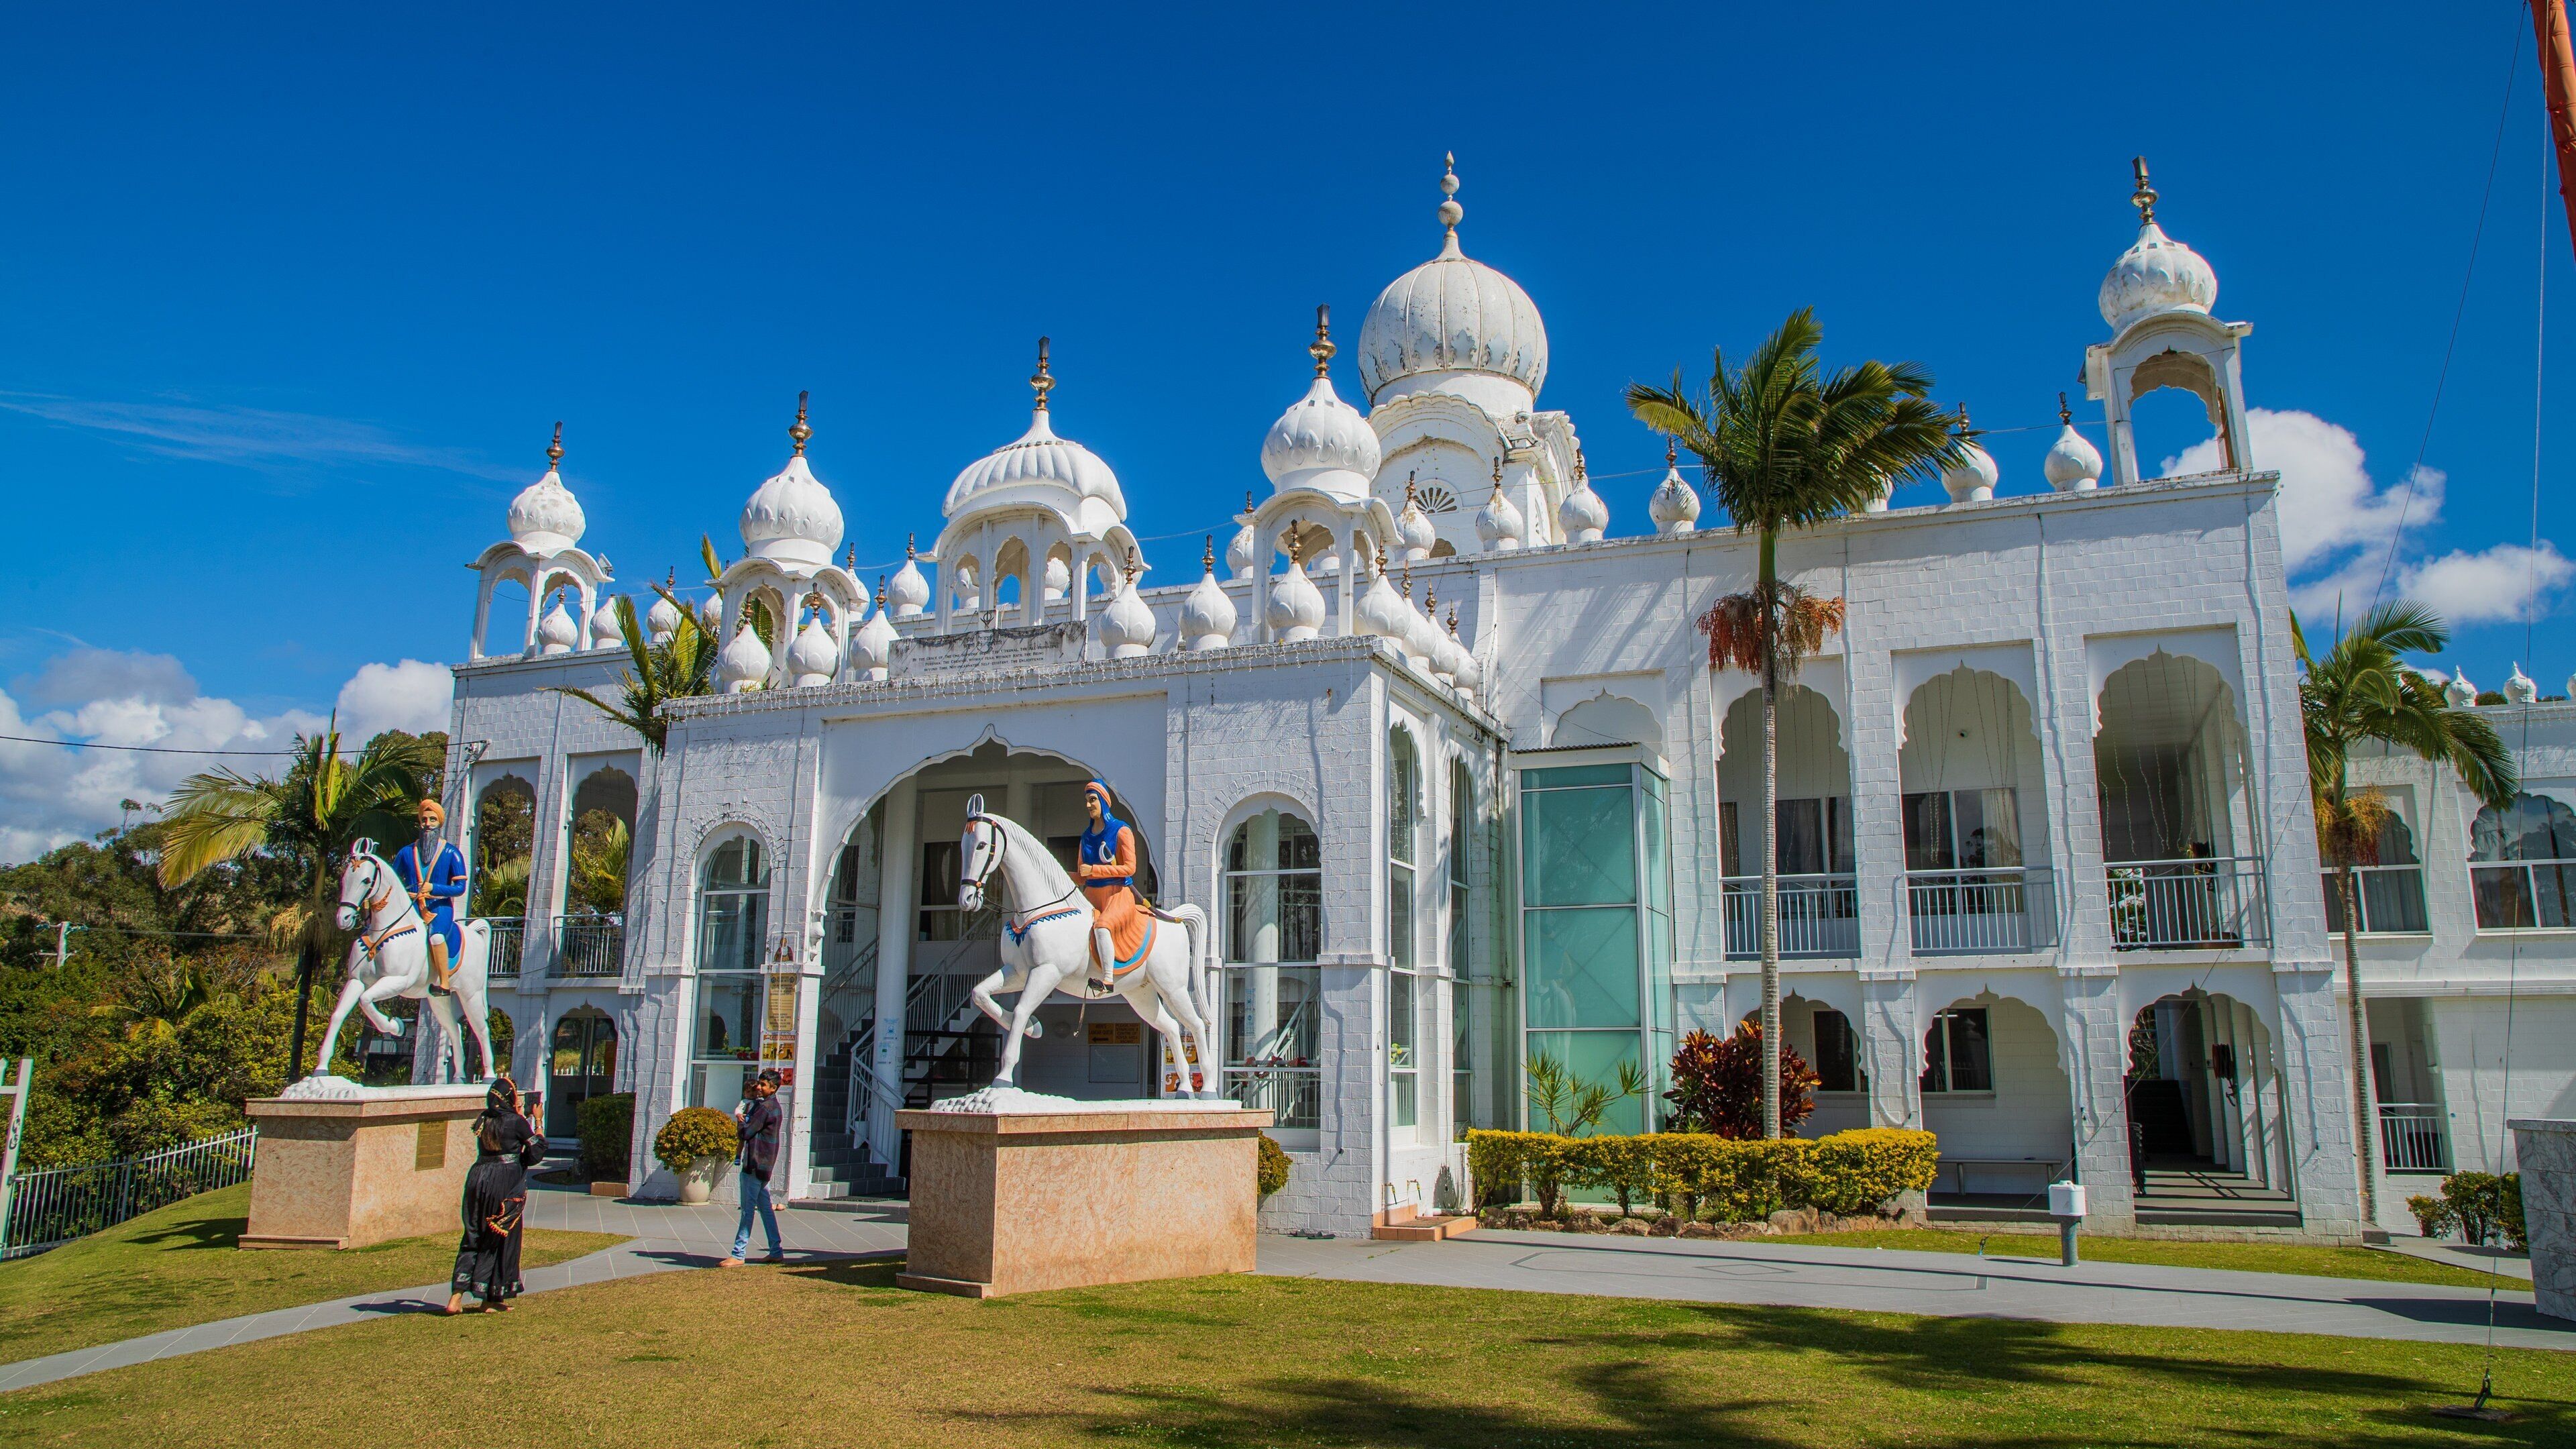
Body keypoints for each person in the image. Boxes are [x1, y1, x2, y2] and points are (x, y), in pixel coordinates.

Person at [449, 1076, 543, 1314]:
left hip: (478, 1178)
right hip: (504, 1183)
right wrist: (538, 1122)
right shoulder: (516, 1121)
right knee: (502, 1235)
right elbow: (535, 1153)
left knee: (474, 1234)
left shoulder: (485, 1119)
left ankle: (457, 1298)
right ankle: (490, 1295)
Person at [393, 798, 468, 993]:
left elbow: (460, 888)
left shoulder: (452, 853)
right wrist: (405, 894)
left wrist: (433, 888)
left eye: (432, 820)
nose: (428, 825)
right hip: (411, 908)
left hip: (439, 908)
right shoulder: (406, 852)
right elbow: (393, 881)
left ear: (440, 823)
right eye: (424, 820)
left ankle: (444, 982)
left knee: (436, 937)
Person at [1077, 780, 1144, 994]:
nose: (1088, 805)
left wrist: (1095, 871)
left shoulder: (1121, 830)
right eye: (1087, 801)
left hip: (1117, 894)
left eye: (1093, 800)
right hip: (1090, 895)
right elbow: (1081, 874)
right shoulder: (1086, 837)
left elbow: (1130, 868)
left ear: (1104, 802)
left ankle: (1107, 979)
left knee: (1103, 926)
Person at [720, 1068, 785, 1267]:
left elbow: (747, 1132)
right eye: (759, 1083)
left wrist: (740, 1122)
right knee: (765, 1208)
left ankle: (738, 1254)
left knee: (748, 1210)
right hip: (764, 1164)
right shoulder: (770, 1106)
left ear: (773, 1088)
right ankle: (776, 1250)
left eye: (763, 1085)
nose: (759, 1087)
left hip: (756, 1164)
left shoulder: (765, 1108)